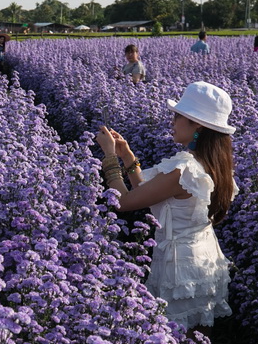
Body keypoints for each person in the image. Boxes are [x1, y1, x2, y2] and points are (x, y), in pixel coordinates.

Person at [95, 81, 238, 330]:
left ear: (198, 127)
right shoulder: (214, 164)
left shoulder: (185, 170)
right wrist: (127, 155)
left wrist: (109, 157)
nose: (172, 122)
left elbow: (124, 202)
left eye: (178, 116)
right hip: (202, 260)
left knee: (171, 337)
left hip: (180, 271)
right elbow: (146, 192)